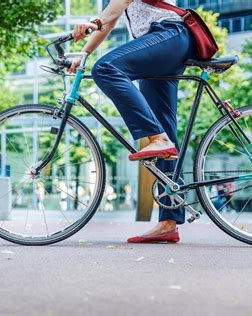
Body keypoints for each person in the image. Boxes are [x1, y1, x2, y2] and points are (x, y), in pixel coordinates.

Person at [69, 0, 197, 243]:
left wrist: (94, 21)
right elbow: (112, 19)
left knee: (105, 68)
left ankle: (157, 138)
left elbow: (118, 6)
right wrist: (84, 54)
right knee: (164, 130)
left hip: (168, 34)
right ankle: (169, 222)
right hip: (160, 45)